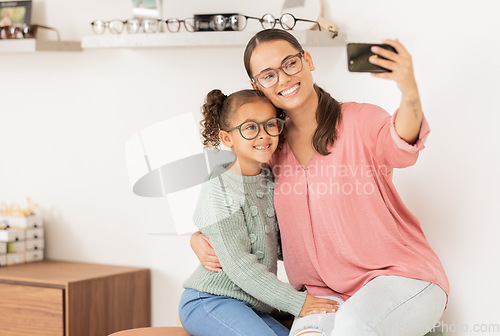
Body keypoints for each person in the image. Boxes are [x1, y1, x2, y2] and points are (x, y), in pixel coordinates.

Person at [190, 29, 449, 336]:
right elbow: (241, 203)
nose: (283, 79)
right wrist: (200, 236)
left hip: (399, 277)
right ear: (256, 85)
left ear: (307, 60)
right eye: (268, 75)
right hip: (322, 294)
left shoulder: (358, 121)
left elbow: (401, 142)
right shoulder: (270, 148)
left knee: (355, 326)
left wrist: (409, 91)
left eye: (290, 64)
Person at [179, 88, 339, 336]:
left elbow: (286, 244)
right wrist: (297, 303)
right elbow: (240, 265)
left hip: (252, 306)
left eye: (270, 125)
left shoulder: (273, 181)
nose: (263, 135)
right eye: (250, 127)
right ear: (227, 138)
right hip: (209, 300)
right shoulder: (220, 187)